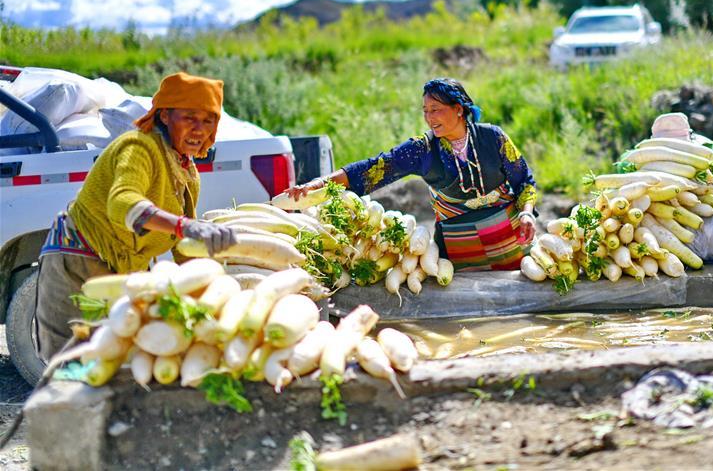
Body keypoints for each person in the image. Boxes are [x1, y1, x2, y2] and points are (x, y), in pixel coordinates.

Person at [35, 72, 237, 361]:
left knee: (117, 362)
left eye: (208, 121)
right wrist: (186, 226)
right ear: (165, 116)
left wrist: (216, 286)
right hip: (77, 264)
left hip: (124, 274)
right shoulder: (138, 147)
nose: (199, 130)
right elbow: (122, 202)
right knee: (70, 364)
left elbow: (182, 249)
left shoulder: (187, 172)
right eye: (189, 118)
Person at [285, 78, 537, 272]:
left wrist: (526, 213)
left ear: (458, 109)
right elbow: (371, 170)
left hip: (510, 237)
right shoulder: (422, 149)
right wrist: (317, 184)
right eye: (425, 111)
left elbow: (524, 182)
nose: (429, 118)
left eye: (436, 109)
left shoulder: (493, 138)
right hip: (460, 247)